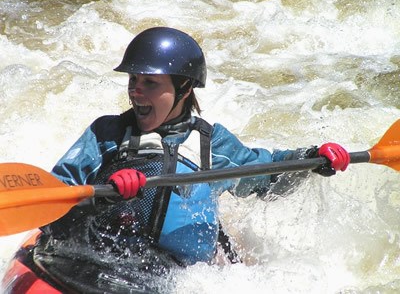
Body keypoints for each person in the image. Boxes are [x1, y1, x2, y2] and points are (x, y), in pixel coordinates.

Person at [35, 27, 350, 292]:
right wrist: (101, 198)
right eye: (134, 80)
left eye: (150, 83)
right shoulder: (107, 133)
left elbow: (266, 177)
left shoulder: (211, 146)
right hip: (93, 260)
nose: (136, 91)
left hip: (175, 275)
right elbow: (53, 196)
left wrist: (311, 160)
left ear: (184, 87)